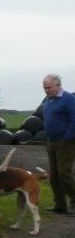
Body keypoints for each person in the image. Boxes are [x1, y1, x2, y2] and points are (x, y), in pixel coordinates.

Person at [41, 73, 75, 214]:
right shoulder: (48, 99)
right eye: (44, 88)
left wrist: (67, 137)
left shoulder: (69, 99)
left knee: (64, 172)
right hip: (51, 140)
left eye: (49, 87)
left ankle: (74, 201)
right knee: (54, 175)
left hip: (65, 141)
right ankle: (59, 204)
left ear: (58, 85)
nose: (46, 90)